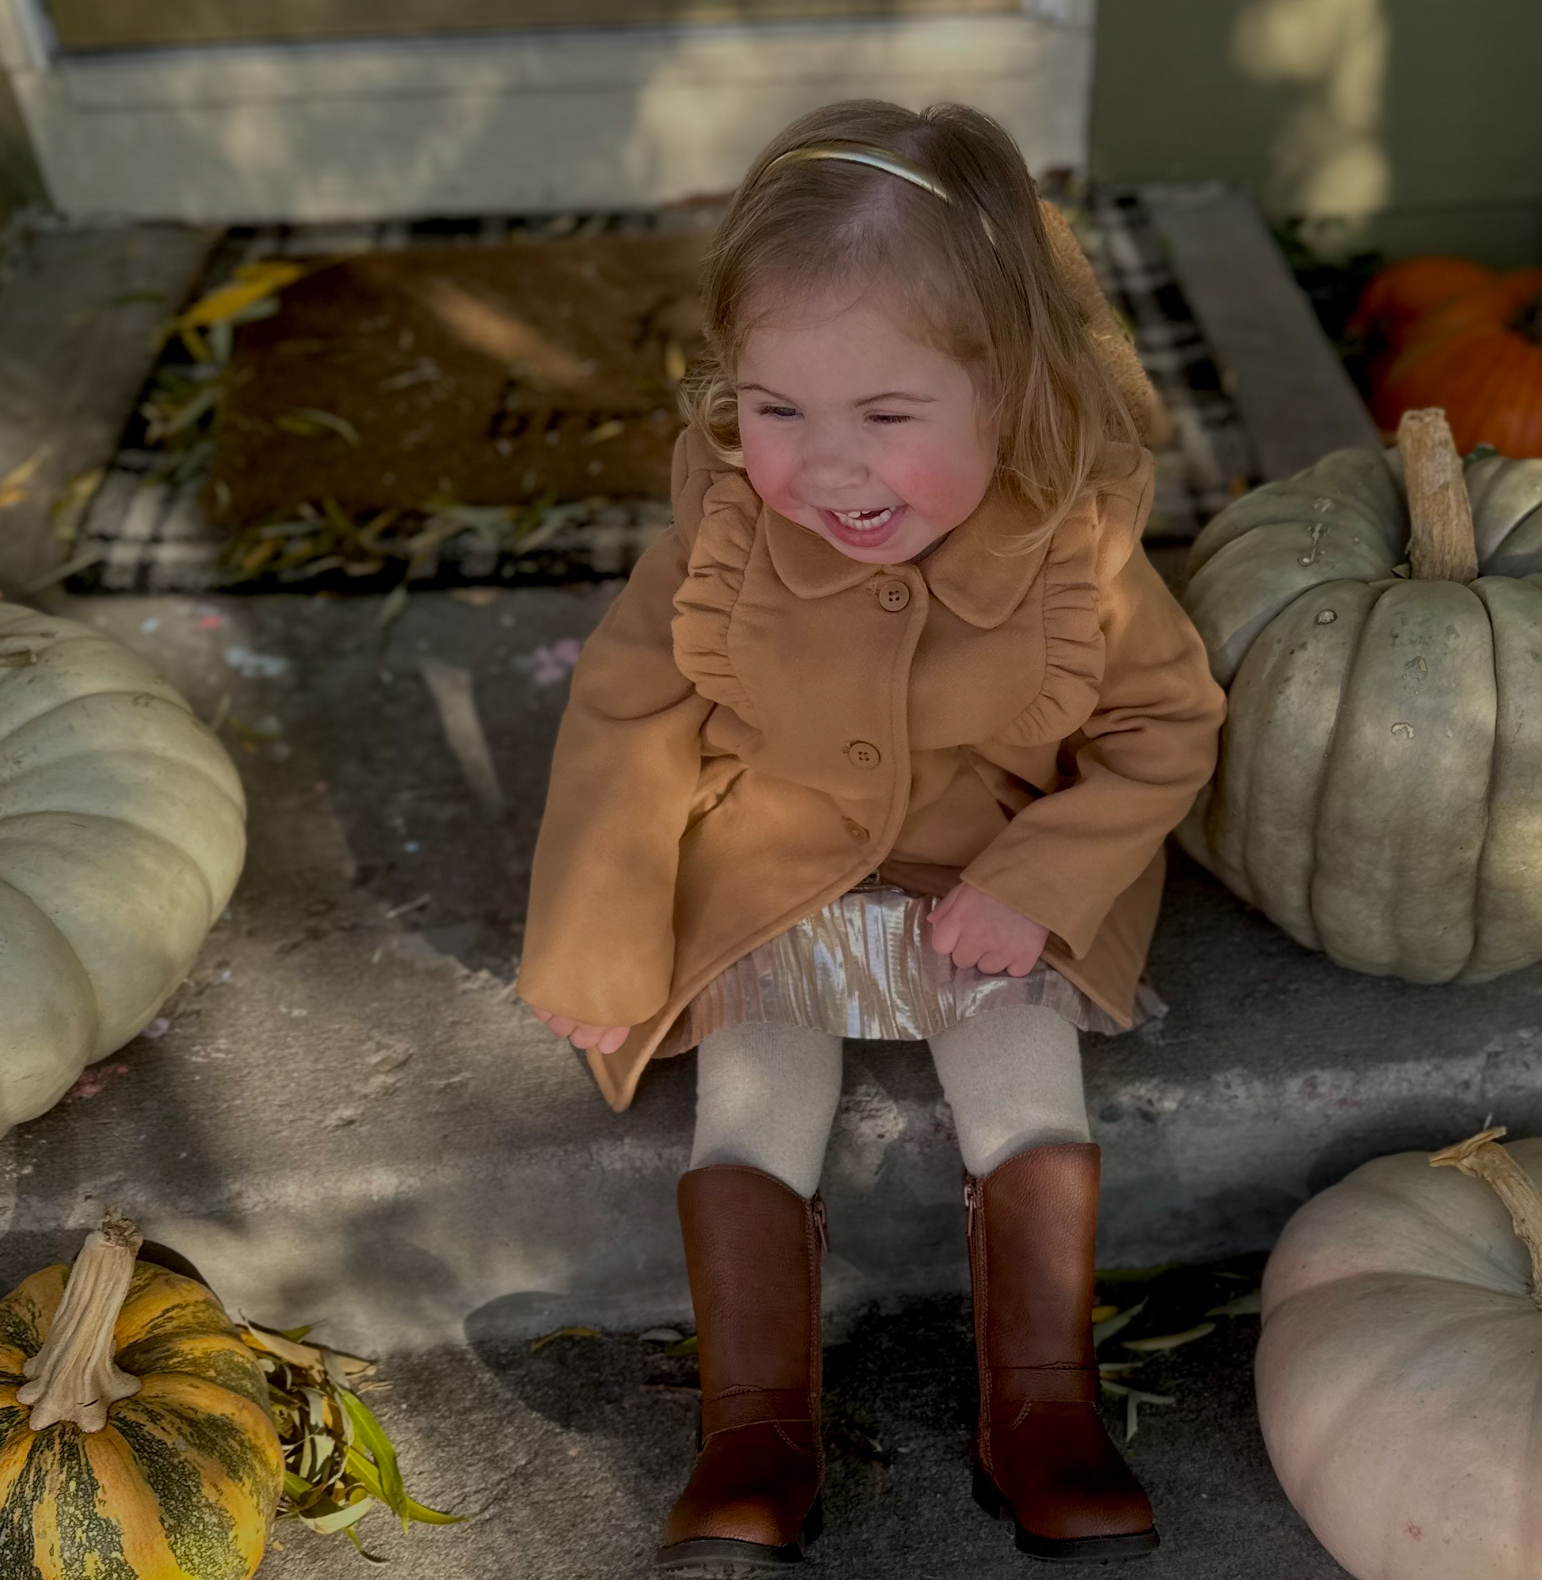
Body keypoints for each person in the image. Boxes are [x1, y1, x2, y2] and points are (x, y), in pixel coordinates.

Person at [517, 98, 1225, 1570]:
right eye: (779, 411)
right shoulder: (721, 528)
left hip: (989, 872)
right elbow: (630, 712)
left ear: (1011, 391)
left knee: (1023, 1077)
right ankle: (754, 1433)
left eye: (888, 419)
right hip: (776, 857)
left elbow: (1168, 730)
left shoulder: (1073, 545)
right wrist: (603, 929)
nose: (828, 470)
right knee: (757, 1086)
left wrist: (1043, 882)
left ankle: (1042, 1411)